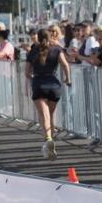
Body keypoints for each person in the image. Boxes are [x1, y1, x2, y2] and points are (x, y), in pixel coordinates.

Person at [25, 28, 72, 160]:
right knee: (50, 115)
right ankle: (50, 141)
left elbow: (27, 73)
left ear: (38, 38)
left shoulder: (33, 51)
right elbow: (65, 65)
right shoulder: (56, 49)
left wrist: (32, 76)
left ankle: (48, 139)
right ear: (50, 36)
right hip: (54, 85)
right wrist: (68, 79)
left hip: (39, 84)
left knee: (44, 115)